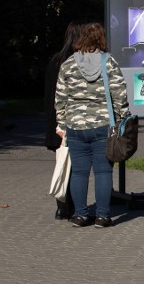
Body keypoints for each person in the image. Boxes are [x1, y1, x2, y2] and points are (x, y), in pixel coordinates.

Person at [54, 22, 128, 228]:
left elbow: (60, 97)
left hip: (75, 126)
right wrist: (123, 118)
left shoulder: (68, 64)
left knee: (79, 172)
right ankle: (103, 216)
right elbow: (119, 94)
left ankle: (80, 215)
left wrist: (62, 123)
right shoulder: (108, 62)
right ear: (101, 39)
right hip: (103, 125)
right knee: (103, 172)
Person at [45, 22, 83, 220]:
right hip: (72, 121)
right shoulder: (76, 62)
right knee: (76, 166)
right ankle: (74, 206)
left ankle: (62, 205)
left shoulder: (56, 60)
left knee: (61, 162)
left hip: (55, 122)